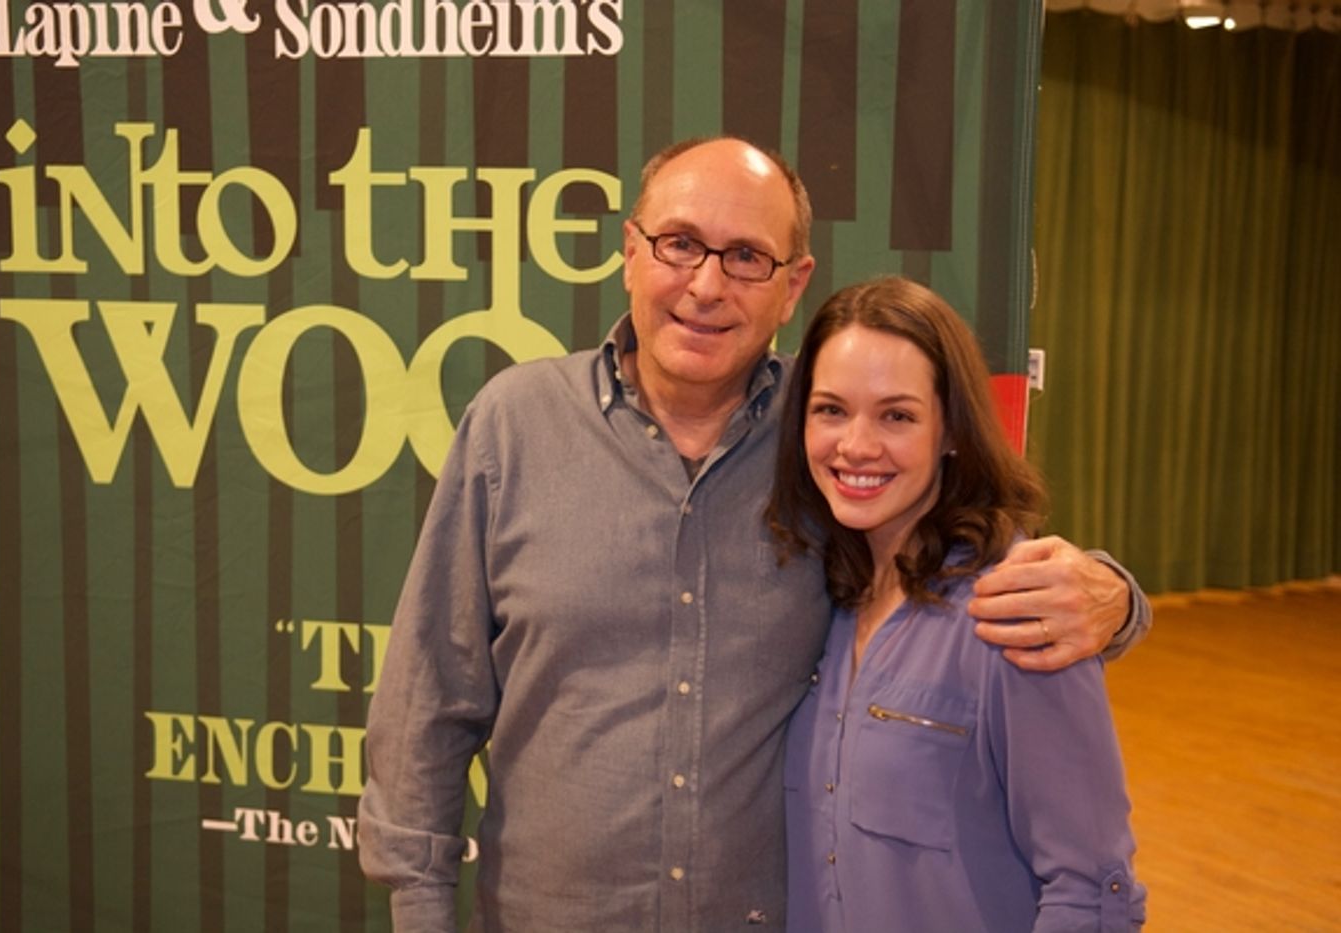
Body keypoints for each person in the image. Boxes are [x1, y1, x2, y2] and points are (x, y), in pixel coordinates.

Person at [358, 137, 1151, 932]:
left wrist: (1116, 599)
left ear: (792, 284)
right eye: (679, 244)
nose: (706, 285)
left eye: (745, 256)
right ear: (631, 250)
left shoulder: (830, 443)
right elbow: (431, 692)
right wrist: (420, 908)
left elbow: (973, 563)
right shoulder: (513, 424)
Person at [770, 276, 1147, 932]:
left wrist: (1120, 598)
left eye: (897, 415)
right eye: (831, 409)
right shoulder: (820, 596)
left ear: (951, 430)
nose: (856, 445)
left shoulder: (1017, 609)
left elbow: (1091, 888)